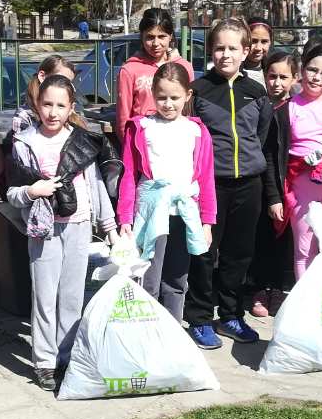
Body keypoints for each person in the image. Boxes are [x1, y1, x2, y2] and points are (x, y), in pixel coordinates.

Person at [6, 75, 119, 389]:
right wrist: (32, 191)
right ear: (37, 105)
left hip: (79, 226)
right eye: (47, 104)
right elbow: (12, 193)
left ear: (71, 108)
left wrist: (110, 228)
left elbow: (96, 185)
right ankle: (44, 361)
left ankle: (65, 356)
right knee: (44, 296)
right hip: (43, 230)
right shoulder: (24, 142)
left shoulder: (82, 140)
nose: (53, 112)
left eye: (60, 105)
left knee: (71, 297)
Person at [186, 18, 273, 348]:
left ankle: (231, 316)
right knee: (204, 252)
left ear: (246, 51)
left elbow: (261, 137)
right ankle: (199, 317)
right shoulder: (198, 90)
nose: (226, 54)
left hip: (248, 184)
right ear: (211, 51)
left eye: (233, 48)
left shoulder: (257, 92)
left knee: (239, 255)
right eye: (219, 48)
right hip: (210, 186)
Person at [117, 63, 215, 322]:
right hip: (151, 214)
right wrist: (125, 217)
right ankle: (145, 330)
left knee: (177, 279)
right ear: (152, 94)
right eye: (162, 97)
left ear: (187, 96)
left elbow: (206, 178)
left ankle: (171, 330)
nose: (168, 104)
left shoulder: (197, 131)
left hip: (184, 214)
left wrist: (207, 222)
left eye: (174, 97)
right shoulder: (141, 127)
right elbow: (129, 174)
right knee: (148, 277)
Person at [268, 43, 322, 281]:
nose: (317, 77)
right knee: (304, 252)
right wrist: (275, 197)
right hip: (300, 190)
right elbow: (274, 155)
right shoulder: (286, 110)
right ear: (302, 70)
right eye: (312, 70)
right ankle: (306, 301)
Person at [250, 50, 301, 317]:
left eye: (284, 77)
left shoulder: (295, 109)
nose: (277, 83)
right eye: (272, 76)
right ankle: (260, 288)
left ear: (295, 78)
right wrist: (271, 195)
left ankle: (279, 289)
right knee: (261, 239)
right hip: (260, 185)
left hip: (288, 187)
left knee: (284, 242)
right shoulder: (259, 106)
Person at [114, 7, 194, 135]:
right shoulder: (129, 70)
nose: (156, 43)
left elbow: (189, 110)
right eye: (150, 37)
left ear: (170, 37)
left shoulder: (184, 67)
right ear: (142, 37)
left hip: (178, 138)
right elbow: (123, 118)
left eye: (162, 36)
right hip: (141, 140)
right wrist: (129, 144)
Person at [13, 54, 77, 134]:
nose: (72, 88)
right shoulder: (25, 115)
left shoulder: (70, 108)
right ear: (42, 76)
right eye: (60, 80)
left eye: (70, 82)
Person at [242, 18, 274, 86]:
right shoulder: (232, 72)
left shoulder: (274, 72)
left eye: (264, 41)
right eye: (253, 41)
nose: (258, 48)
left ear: (270, 42)